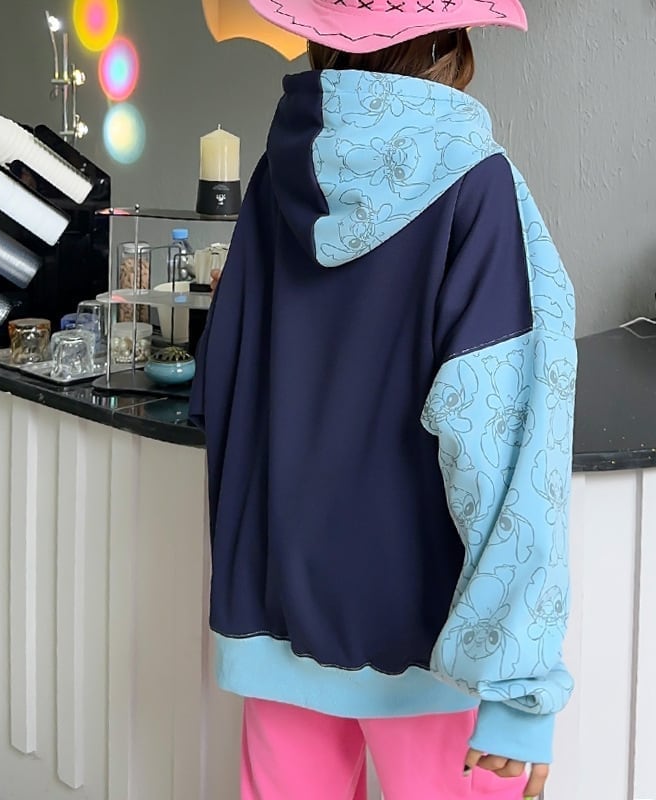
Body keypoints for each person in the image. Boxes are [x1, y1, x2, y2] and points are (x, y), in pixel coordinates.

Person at [189, 1, 577, 798]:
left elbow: (224, 385)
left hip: (277, 609)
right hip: (429, 638)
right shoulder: (478, 185)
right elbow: (509, 433)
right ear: (446, 36)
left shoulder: (274, 180)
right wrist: (517, 689)